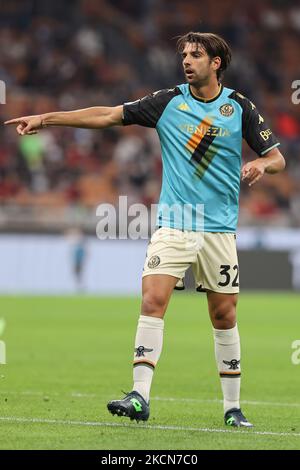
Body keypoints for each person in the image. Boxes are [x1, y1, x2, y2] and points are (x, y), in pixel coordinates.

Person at [5, 32, 286, 427]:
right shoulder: (168, 102)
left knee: (224, 316)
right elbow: (108, 115)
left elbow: (277, 159)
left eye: (196, 55)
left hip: (220, 230)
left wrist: (260, 165)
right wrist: (47, 118)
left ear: (217, 62)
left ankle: (232, 408)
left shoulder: (239, 107)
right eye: (184, 55)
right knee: (153, 299)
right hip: (174, 224)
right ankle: (139, 395)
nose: (187, 61)